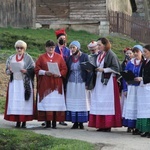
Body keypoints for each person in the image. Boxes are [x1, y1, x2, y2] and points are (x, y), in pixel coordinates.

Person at [88, 37, 122, 132]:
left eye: (99, 45)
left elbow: (117, 68)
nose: (98, 47)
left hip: (108, 81)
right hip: (99, 80)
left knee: (107, 102)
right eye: (97, 45)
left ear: (105, 45)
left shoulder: (111, 54)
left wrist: (104, 69)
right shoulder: (99, 54)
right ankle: (101, 124)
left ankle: (108, 124)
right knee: (99, 101)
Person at [35, 40, 68, 129]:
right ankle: (47, 121)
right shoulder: (41, 57)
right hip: (46, 84)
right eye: (49, 47)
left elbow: (64, 68)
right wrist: (45, 72)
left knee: (55, 103)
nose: (51, 49)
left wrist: (60, 74)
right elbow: (37, 69)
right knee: (47, 102)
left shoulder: (59, 57)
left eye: (52, 47)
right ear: (46, 48)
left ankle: (54, 122)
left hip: (56, 84)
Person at [4, 40, 35, 128]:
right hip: (15, 83)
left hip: (24, 83)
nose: (19, 49)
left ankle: (24, 121)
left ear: (24, 49)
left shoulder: (28, 58)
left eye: (21, 48)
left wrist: (26, 71)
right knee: (16, 100)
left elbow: (33, 69)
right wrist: (10, 70)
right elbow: (6, 70)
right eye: (17, 48)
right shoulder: (11, 58)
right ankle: (17, 121)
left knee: (24, 101)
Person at [65, 41, 90, 129]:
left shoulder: (84, 57)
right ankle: (75, 122)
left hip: (81, 82)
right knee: (73, 100)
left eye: (73, 48)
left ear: (78, 48)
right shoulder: (69, 58)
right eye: (71, 48)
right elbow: (67, 70)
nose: (72, 49)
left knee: (81, 101)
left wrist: (87, 82)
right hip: (71, 83)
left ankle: (81, 122)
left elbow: (89, 71)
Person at [122, 45, 144, 135]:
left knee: (139, 107)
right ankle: (131, 125)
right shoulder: (130, 63)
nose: (135, 53)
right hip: (131, 88)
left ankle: (139, 127)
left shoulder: (144, 63)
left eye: (137, 51)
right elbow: (124, 75)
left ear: (141, 52)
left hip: (140, 88)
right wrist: (125, 89)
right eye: (134, 51)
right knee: (131, 106)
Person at [55, 28, 70, 126]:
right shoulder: (54, 48)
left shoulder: (68, 50)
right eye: (61, 38)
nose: (63, 40)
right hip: (54, 75)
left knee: (62, 96)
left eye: (64, 39)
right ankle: (49, 117)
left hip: (64, 76)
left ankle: (61, 118)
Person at [135, 44, 150, 138]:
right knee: (144, 108)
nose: (144, 54)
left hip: (149, 86)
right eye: (143, 52)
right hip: (143, 87)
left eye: (145, 52)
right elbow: (141, 72)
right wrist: (138, 78)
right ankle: (144, 129)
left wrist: (143, 79)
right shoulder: (144, 62)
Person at [121, 47, 134, 132]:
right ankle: (128, 125)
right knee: (127, 106)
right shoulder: (124, 64)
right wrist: (124, 89)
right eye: (127, 54)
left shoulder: (134, 63)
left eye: (130, 53)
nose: (128, 55)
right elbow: (123, 77)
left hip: (134, 86)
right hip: (127, 86)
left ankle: (133, 125)